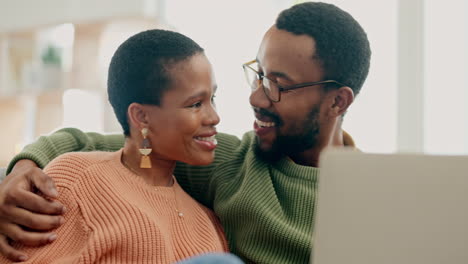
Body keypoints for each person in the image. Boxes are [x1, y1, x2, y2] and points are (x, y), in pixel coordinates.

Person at [0, 2, 371, 263]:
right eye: (259, 74)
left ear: (337, 102)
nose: (256, 96)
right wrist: (21, 171)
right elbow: (103, 143)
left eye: (279, 85)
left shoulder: (377, 196)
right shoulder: (234, 163)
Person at [0, 29, 241, 263]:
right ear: (142, 117)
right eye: (195, 104)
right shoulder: (73, 181)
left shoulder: (208, 224)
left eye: (213, 99)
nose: (214, 117)